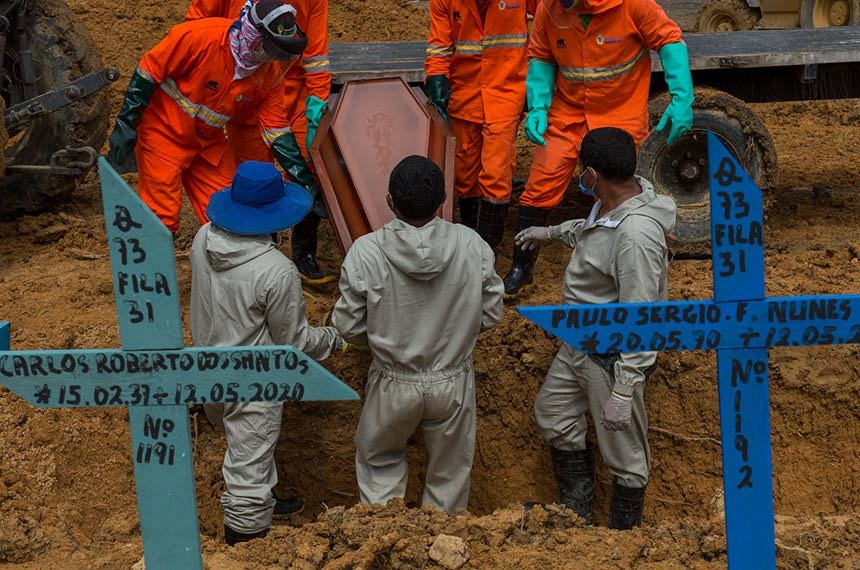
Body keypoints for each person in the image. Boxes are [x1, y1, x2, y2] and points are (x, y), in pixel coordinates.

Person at [516, 127, 676, 529]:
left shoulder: (637, 236)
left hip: (609, 355)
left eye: (581, 171)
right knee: (553, 414)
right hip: (579, 343)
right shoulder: (612, 200)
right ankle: (576, 511)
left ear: (592, 174)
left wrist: (624, 388)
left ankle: (623, 537)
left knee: (626, 455)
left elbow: (643, 316)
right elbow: (593, 233)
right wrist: (551, 233)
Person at [332, 155, 504, 511]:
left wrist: (381, 337)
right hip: (453, 380)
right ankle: (442, 550)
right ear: (443, 200)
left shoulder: (366, 251)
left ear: (390, 202)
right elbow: (490, 313)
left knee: (379, 462)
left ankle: (385, 544)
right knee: (451, 473)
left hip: (394, 380)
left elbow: (348, 326)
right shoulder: (473, 245)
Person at [189, 160, 345, 545]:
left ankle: (267, 498)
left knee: (247, 450)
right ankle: (246, 547)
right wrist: (335, 339)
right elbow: (292, 344)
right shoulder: (275, 270)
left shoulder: (202, 238)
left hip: (207, 368)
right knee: (247, 478)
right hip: (252, 383)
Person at [502, 0, 693, 295]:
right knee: (540, 184)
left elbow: (669, 40)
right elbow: (541, 56)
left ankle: (615, 262)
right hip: (568, 113)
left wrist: (681, 96)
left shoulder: (634, 6)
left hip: (620, 110)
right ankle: (521, 268)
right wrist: (538, 105)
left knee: (615, 192)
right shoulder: (549, 8)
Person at [105, 0, 307, 235]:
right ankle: (156, 268)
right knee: (161, 219)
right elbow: (149, 72)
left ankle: (230, 267)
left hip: (207, 142)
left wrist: (302, 176)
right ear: (253, 35)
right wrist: (126, 123)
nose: (273, 59)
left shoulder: (269, 73)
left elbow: (276, 129)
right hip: (163, 132)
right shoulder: (199, 37)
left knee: (234, 211)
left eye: (280, 54)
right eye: (272, 50)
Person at [184, 0, 335, 284]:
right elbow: (194, 29)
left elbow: (316, 55)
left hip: (295, 94)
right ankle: (265, 259)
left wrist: (317, 105)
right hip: (247, 96)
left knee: (312, 167)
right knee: (257, 178)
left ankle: (304, 254)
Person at [424, 0, 537, 250]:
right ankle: (469, 242)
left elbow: (553, 14)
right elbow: (439, 47)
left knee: (496, 173)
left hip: (505, 90)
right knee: (465, 175)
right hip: (465, 93)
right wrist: (436, 79)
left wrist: (540, 69)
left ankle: (488, 249)